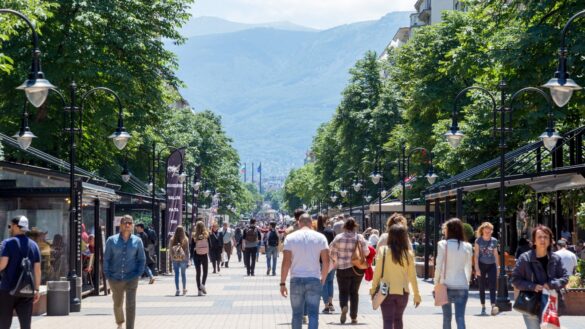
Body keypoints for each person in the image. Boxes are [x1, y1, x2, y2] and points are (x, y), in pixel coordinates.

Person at [511, 225, 568, 329]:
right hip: (531, 303)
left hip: (550, 303)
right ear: (534, 241)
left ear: (551, 240)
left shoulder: (556, 258)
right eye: (539, 237)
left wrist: (551, 284)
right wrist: (532, 286)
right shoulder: (525, 258)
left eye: (546, 237)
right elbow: (515, 279)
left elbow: (564, 278)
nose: (543, 240)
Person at [280, 213, 330, 329]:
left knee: (297, 314)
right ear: (312, 222)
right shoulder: (320, 238)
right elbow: (326, 261)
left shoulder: (290, 238)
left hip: (296, 279)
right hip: (314, 278)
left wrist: (282, 283)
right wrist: (323, 278)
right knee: (313, 314)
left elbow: (286, 262)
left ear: (299, 222)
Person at [370, 224, 421, 329]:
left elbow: (377, 273)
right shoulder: (408, 254)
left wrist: (373, 289)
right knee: (398, 319)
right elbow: (413, 276)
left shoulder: (383, 251)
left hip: (385, 290)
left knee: (387, 320)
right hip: (403, 291)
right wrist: (417, 295)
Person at [104, 215, 146, 329]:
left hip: (131, 277)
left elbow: (141, 259)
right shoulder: (111, 240)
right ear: (120, 224)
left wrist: (138, 273)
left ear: (132, 225)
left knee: (131, 304)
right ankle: (119, 322)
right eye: (125, 223)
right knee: (118, 304)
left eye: (130, 223)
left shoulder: (138, 241)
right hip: (115, 277)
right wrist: (108, 275)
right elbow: (106, 259)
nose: (127, 225)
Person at [0, 216, 41, 329]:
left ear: (16, 226)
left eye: (10, 226)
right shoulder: (34, 245)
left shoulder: (7, 243)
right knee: (25, 324)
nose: (9, 229)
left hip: (7, 289)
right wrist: (36, 289)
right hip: (26, 289)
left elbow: (2, 264)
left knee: (4, 322)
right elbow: (37, 269)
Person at [434, 218, 473, 329]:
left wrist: (436, 282)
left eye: (445, 229)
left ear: (449, 230)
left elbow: (438, 266)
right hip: (462, 285)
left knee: (446, 317)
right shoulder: (467, 246)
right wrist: (467, 283)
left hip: (445, 285)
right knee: (460, 317)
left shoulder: (442, 244)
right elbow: (468, 267)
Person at [329, 218, 370, 324]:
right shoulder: (359, 237)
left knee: (343, 291)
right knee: (354, 293)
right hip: (357, 269)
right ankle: (354, 317)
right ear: (354, 226)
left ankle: (344, 306)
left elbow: (332, 252)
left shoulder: (338, 237)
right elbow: (366, 252)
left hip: (342, 269)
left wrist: (336, 261)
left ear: (345, 227)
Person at [473, 222, 500, 316]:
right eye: (486, 229)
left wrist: (498, 267)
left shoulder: (494, 240)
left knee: (493, 285)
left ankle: (493, 306)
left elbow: (496, 254)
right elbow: (476, 255)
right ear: (482, 230)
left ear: (491, 231)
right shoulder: (478, 241)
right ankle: (483, 306)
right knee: (482, 287)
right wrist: (477, 268)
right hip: (481, 264)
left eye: (490, 229)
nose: (488, 231)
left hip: (492, 264)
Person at [317, 214, 336, 313]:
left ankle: (326, 305)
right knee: (330, 281)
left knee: (323, 282)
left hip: (320, 261)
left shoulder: (316, 233)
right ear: (326, 221)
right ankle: (331, 302)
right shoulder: (331, 231)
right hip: (332, 260)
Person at [169, 225, 189, 296]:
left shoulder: (172, 239)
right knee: (183, 274)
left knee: (176, 274)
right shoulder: (185, 239)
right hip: (183, 259)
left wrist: (172, 258)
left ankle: (177, 290)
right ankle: (184, 289)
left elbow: (170, 250)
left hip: (175, 258)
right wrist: (188, 260)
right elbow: (187, 251)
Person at [192, 221, 210, 296]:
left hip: (196, 254)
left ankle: (199, 291)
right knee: (205, 271)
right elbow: (210, 245)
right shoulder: (206, 235)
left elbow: (192, 247)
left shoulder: (194, 236)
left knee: (198, 273)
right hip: (204, 255)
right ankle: (202, 284)